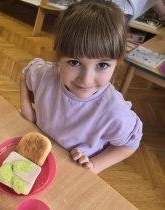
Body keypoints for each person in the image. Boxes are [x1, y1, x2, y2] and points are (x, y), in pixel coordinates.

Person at [20, 0, 143, 174]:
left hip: (72, 170)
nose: (86, 80)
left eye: (102, 65)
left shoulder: (115, 111)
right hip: (39, 155)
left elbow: (130, 144)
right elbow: (26, 73)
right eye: (74, 62)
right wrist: (27, 109)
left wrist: (95, 165)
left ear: (117, 63)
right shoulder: (47, 75)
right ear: (58, 56)